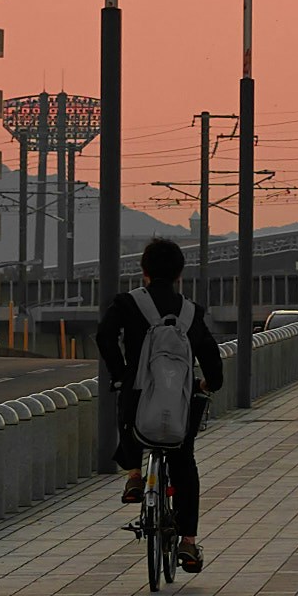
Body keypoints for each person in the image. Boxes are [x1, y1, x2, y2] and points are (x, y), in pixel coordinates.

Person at [97, 234, 216, 576]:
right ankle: (189, 543)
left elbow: (104, 335)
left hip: (137, 391)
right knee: (184, 461)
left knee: (129, 412)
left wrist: (120, 373)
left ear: (144, 271)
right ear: (180, 274)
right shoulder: (190, 311)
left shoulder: (127, 303)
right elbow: (208, 352)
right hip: (179, 397)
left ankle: (135, 474)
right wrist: (210, 383)